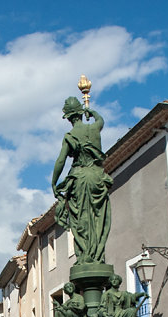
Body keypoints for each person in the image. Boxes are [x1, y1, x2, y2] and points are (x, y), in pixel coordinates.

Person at [51, 97, 112, 265]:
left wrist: (54, 182)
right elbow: (100, 120)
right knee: (98, 216)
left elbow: (61, 161)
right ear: (80, 112)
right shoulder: (94, 128)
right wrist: (92, 112)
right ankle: (97, 253)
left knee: (81, 218)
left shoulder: (70, 136)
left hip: (79, 179)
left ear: (69, 117)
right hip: (97, 177)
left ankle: (85, 254)